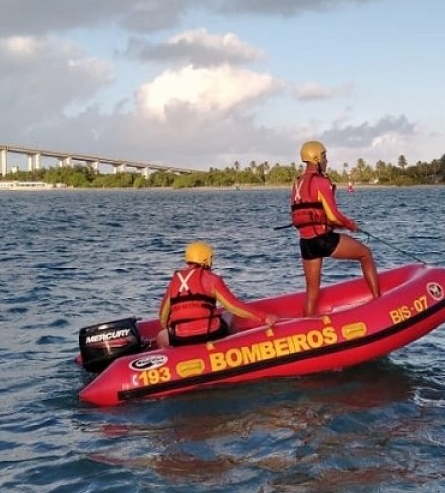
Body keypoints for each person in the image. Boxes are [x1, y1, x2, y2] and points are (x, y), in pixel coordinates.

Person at [290, 140, 380, 317]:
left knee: (312, 292)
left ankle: (306, 327)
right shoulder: (321, 182)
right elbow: (332, 216)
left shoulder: (296, 184)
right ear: (316, 158)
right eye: (324, 156)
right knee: (365, 254)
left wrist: (333, 224)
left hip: (306, 243)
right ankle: (378, 301)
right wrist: (349, 225)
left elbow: (304, 214)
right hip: (323, 240)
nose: (326, 161)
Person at [157, 241, 276, 347]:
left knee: (162, 336)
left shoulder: (174, 282)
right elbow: (233, 306)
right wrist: (264, 317)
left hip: (181, 338)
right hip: (210, 333)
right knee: (228, 314)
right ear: (206, 259)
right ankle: (227, 350)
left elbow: (163, 318)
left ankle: (177, 360)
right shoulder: (212, 279)